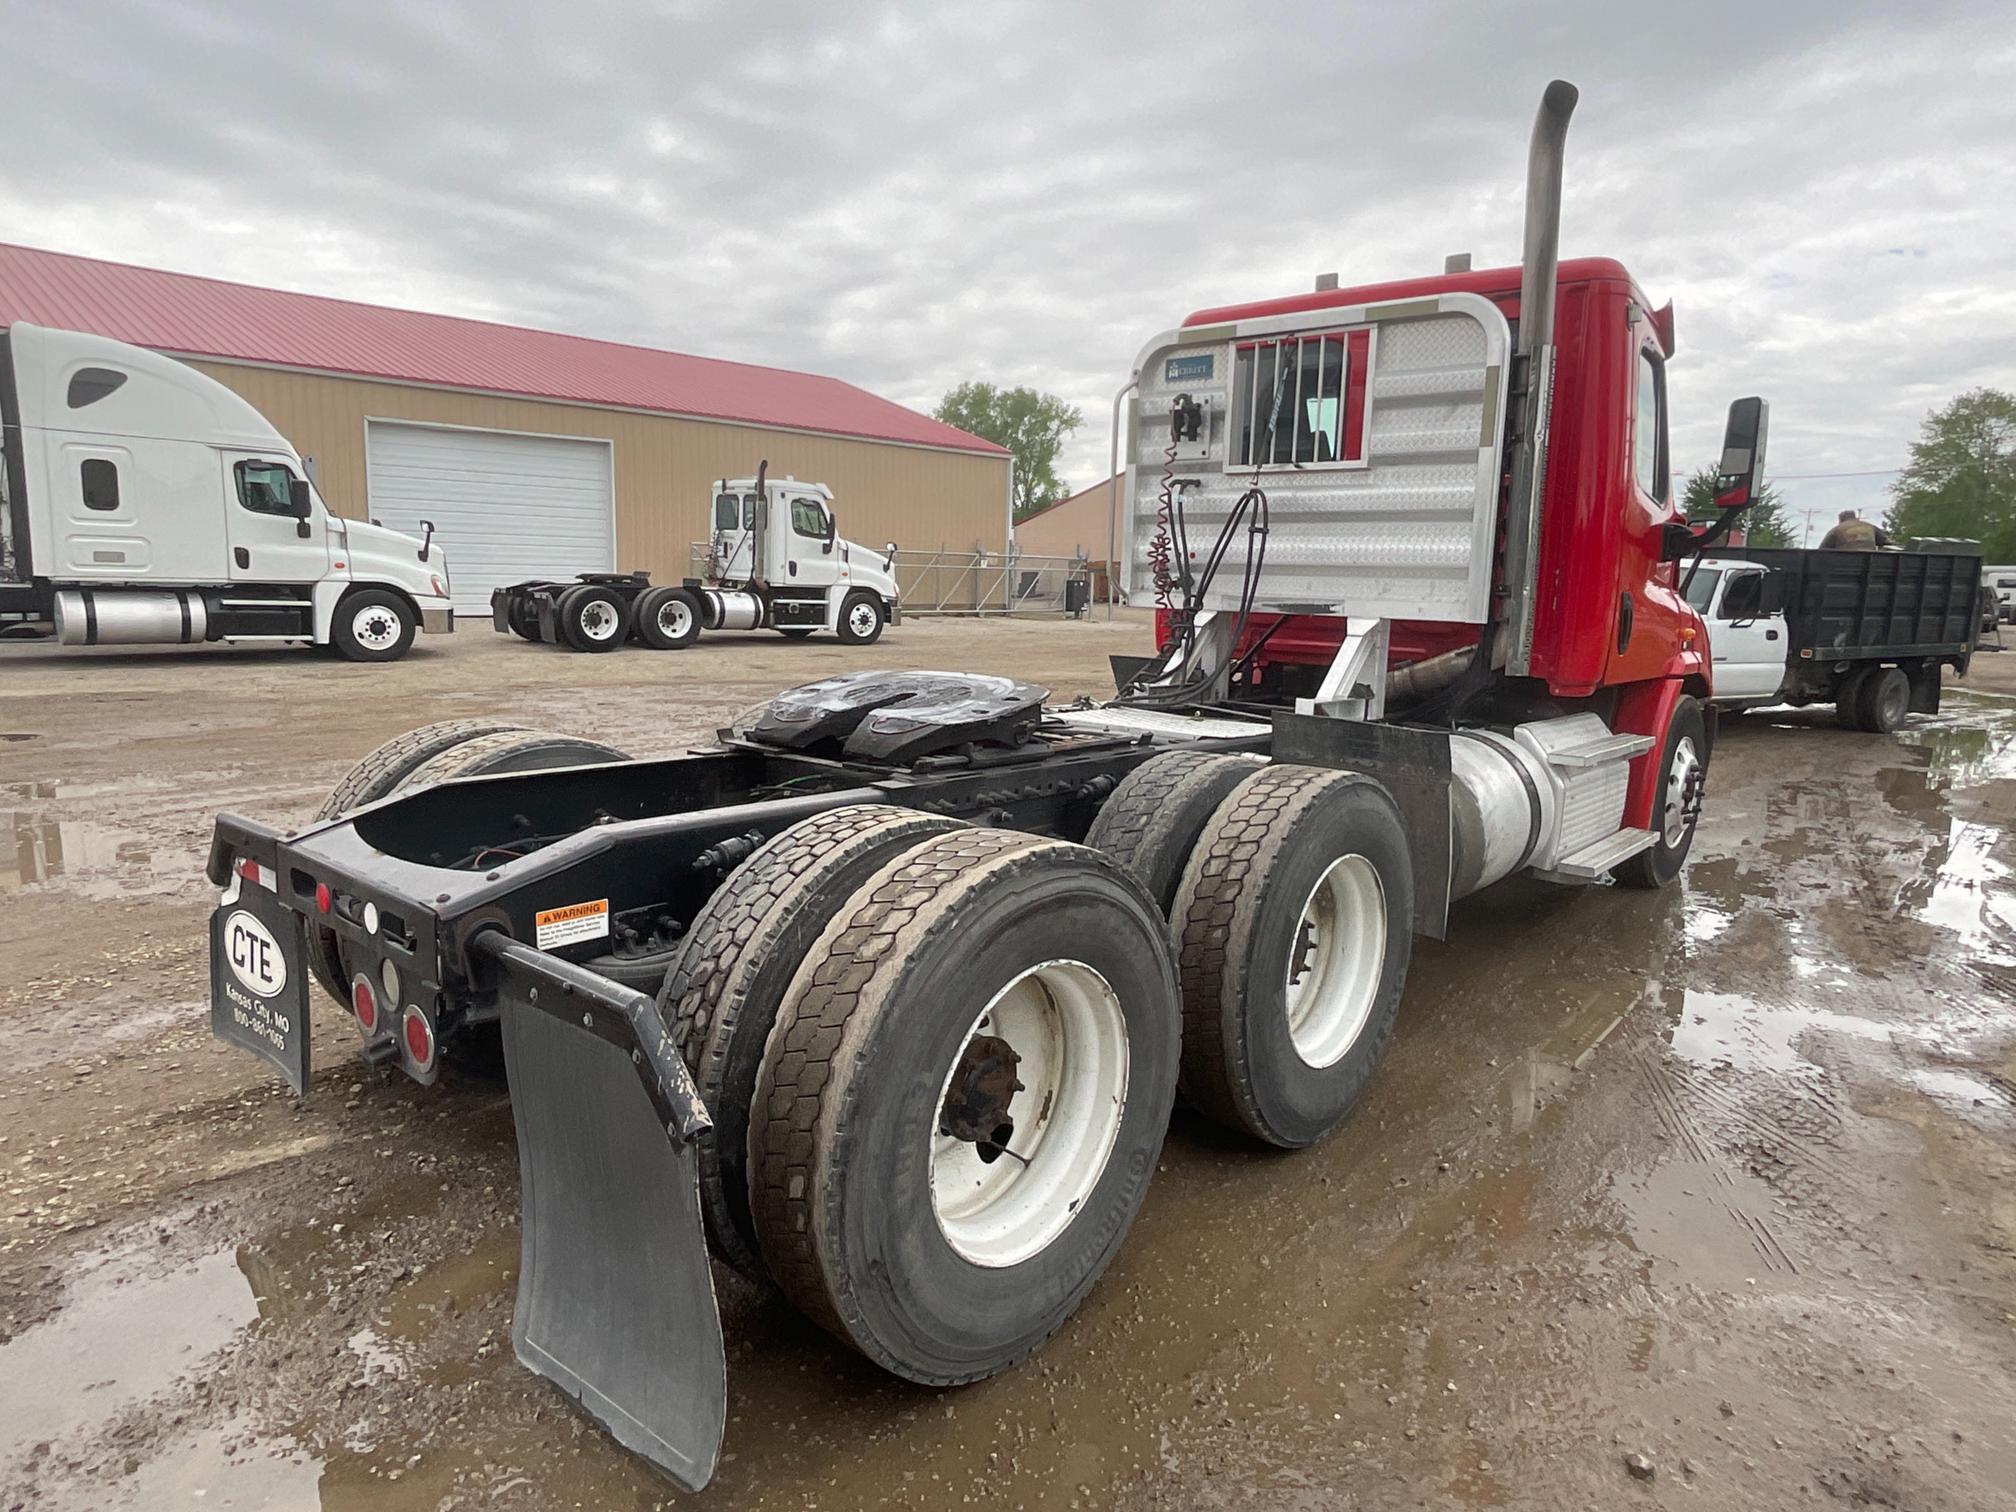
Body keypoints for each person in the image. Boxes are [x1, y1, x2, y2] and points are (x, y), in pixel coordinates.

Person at [1819, 510, 1890, 550]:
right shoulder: (1871, 527)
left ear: (1840, 520)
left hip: (1843, 564)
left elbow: (1821, 550)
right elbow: (1888, 543)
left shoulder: (1836, 530)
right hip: (1872, 564)